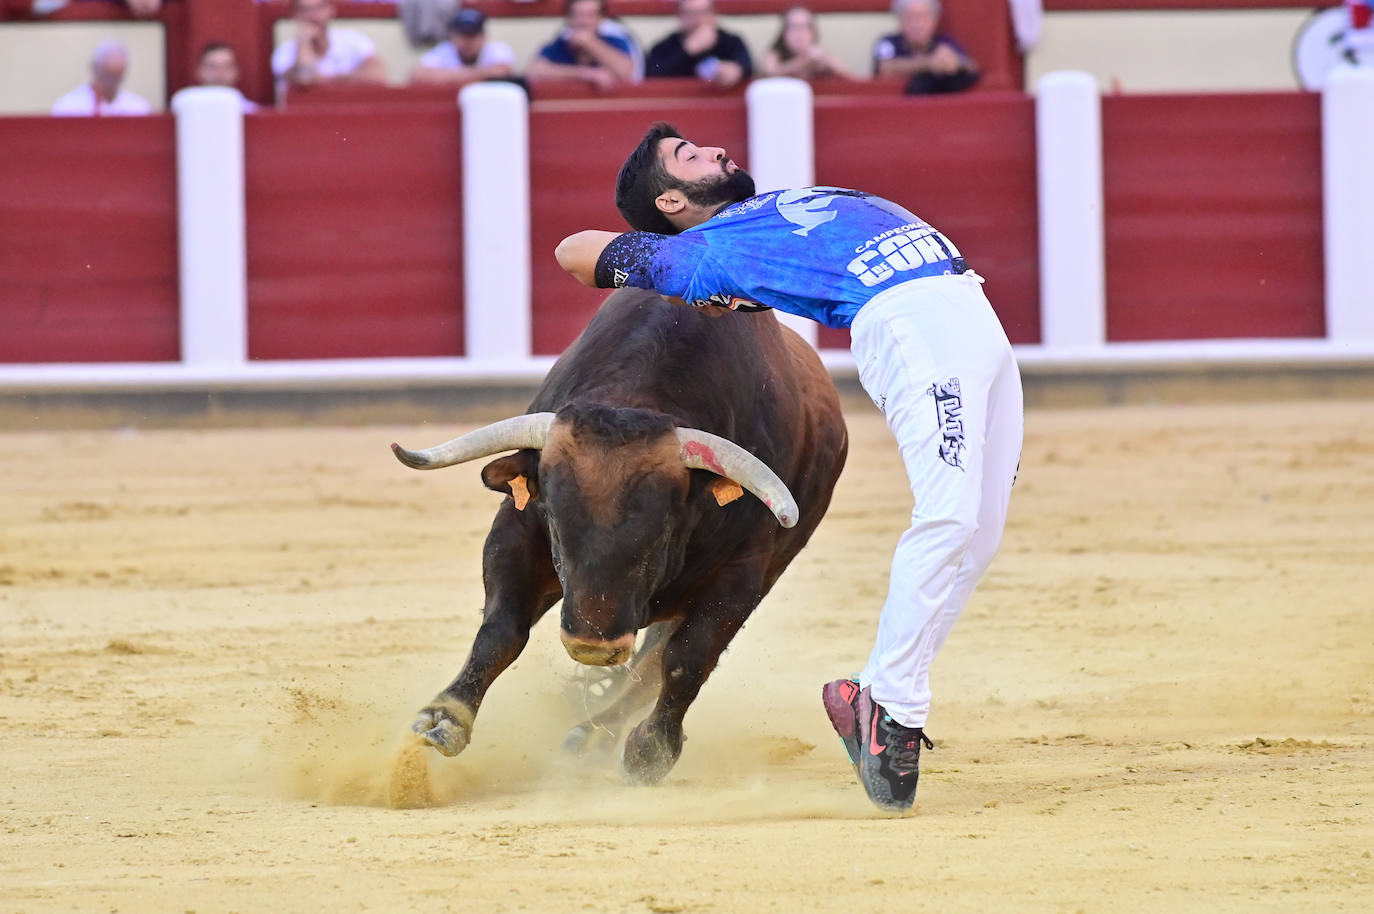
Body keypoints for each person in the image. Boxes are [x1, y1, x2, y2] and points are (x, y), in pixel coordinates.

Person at [554, 123, 1022, 812]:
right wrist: (663, 256)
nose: (713, 149)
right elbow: (574, 251)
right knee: (948, 515)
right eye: (688, 157)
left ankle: (891, 693)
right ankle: (884, 705)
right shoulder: (704, 256)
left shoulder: (754, 220)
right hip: (911, 323)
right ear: (673, 203)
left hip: (968, 313)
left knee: (977, 534)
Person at [271, 0, 388, 95]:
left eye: (319, 8)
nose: (312, 16)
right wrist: (304, 43)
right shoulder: (284, 53)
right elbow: (304, 79)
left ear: (331, 10)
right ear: (295, 15)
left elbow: (378, 76)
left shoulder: (353, 41)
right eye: (305, 10)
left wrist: (325, 80)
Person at [526, 0, 642, 91]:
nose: (583, 21)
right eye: (578, 15)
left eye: (590, 15)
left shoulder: (614, 40)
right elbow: (534, 71)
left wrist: (591, 44)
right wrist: (587, 74)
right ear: (569, 19)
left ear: (600, 19)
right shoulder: (561, 44)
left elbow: (626, 72)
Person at [873, 0, 979, 94]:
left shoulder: (945, 42)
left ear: (935, 20)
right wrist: (929, 63)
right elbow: (884, 68)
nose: (917, 24)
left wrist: (956, 62)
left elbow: (972, 66)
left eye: (923, 16)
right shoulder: (888, 42)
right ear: (900, 19)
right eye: (910, 17)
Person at [644, 0, 752, 88]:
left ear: (715, 15)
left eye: (703, 12)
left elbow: (747, 66)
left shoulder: (731, 42)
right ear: (679, 17)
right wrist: (686, 51)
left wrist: (736, 70)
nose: (697, 20)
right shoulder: (665, 46)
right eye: (690, 13)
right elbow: (651, 74)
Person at [409, 9, 516, 86]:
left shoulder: (497, 49)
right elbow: (417, 75)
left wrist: (450, 77)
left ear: (483, 37)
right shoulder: (444, 51)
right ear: (452, 36)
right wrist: (479, 74)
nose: (468, 42)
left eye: (472, 36)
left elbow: (501, 72)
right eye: (463, 36)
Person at [51, 39, 152, 116]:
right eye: (107, 74)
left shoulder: (138, 108)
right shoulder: (68, 107)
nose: (111, 82)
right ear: (94, 68)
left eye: (116, 75)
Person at [761, 6, 854, 80]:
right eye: (793, 26)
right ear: (783, 32)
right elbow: (770, 73)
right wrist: (803, 62)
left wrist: (827, 60)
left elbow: (850, 77)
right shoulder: (775, 52)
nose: (799, 33)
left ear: (813, 33)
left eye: (805, 27)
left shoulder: (820, 55)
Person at [195, 41, 260, 113]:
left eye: (226, 67)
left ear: (236, 71)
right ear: (200, 71)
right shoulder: (183, 108)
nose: (219, 73)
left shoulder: (253, 111)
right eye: (212, 67)